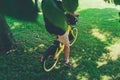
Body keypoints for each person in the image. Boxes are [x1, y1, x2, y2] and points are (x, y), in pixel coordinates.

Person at [40, 0, 79, 68]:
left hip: (48, 27)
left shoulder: (45, 2)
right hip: (58, 28)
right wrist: (77, 14)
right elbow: (71, 12)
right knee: (67, 45)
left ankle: (57, 43)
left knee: (59, 38)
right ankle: (67, 62)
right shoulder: (59, 4)